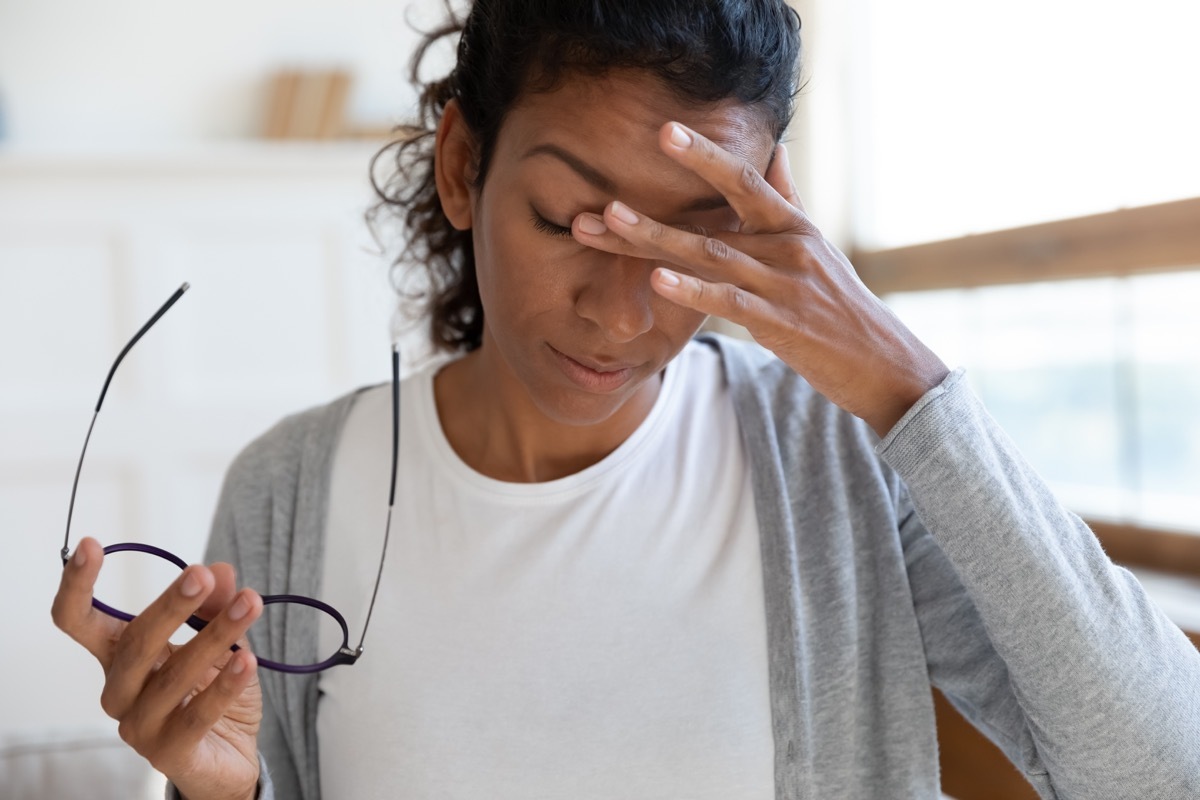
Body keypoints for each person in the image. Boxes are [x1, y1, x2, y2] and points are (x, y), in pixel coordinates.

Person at [52, 1, 1200, 798]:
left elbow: (1164, 772)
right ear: (462, 168)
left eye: (691, 241)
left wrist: (906, 384)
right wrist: (223, 788)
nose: (618, 313)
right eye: (564, 220)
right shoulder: (290, 487)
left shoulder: (841, 460)